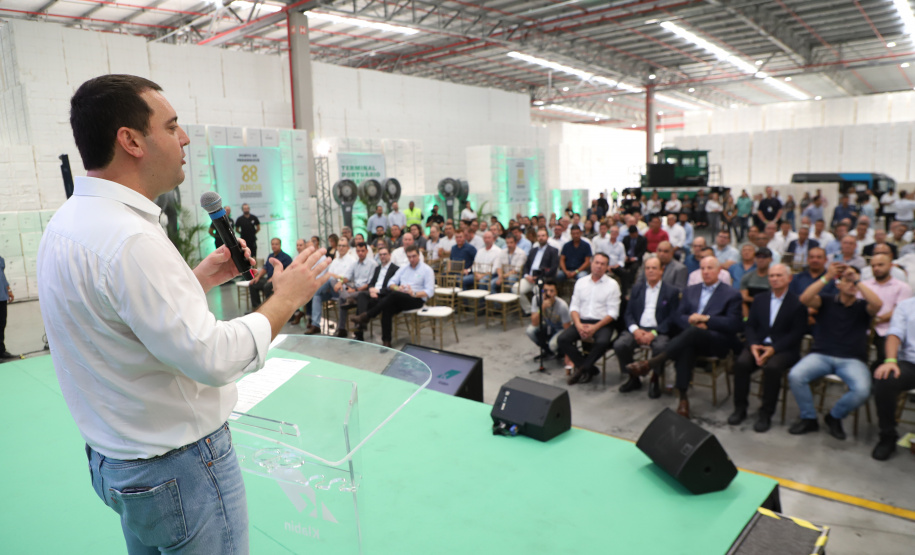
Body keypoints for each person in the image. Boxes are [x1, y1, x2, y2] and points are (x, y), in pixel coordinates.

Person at [38, 74, 333, 554]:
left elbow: (118, 320)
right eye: (172, 126)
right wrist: (286, 297)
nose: (186, 139)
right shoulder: (130, 239)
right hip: (179, 469)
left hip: (119, 463)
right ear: (130, 140)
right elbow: (212, 358)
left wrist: (197, 280)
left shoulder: (69, 223)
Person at [627, 256, 743, 418]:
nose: (706, 272)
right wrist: (690, 321)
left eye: (710, 268)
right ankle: (683, 398)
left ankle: (652, 363)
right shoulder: (691, 291)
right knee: (686, 346)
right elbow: (677, 316)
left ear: (719, 271)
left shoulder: (731, 294)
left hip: (716, 341)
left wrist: (707, 321)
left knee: (691, 335)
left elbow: (734, 324)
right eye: (702, 268)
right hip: (691, 338)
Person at [788, 263, 882, 439]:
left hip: (852, 359)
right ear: (838, 284)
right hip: (821, 354)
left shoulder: (863, 306)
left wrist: (858, 280)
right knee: (796, 375)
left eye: (854, 281)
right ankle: (809, 418)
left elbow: (878, 304)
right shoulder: (826, 300)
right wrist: (827, 277)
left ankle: (834, 416)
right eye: (847, 280)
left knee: (863, 389)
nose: (851, 284)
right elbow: (804, 299)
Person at [729, 264, 808, 432]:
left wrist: (775, 349)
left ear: (789, 278)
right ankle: (740, 408)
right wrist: (753, 345)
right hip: (759, 343)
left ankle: (766, 413)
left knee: (773, 368)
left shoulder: (797, 303)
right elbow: (750, 326)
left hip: (784, 348)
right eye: (772, 276)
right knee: (741, 363)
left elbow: (797, 333)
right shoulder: (760, 299)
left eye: (779, 275)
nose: (774, 279)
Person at [617, 257, 680, 397]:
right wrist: (635, 330)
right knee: (620, 344)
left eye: (654, 268)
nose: (650, 271)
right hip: (638, 328)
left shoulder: (671, 291)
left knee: (660, 347)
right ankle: (633, 377)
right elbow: (628, 314)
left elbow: (672, 318)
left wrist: (654, 332)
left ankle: (654, 379)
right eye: (647, 268)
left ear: (661, 271)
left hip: (658, 330)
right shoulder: (637, 288)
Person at [558, 254, 621, 385]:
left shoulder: (613, 285)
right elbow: (574, 306)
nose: (599, 266)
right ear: (591, 263)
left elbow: (613, 313)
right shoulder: (581, 282)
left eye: (603, 264)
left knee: (603, 342)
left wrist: (595, 327)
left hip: (602, 323)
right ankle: (588, 368)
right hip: (582, 320)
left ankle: (582, 369)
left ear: (606, 267)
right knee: (563, 339)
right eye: (597, 262)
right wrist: (578, 325)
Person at [353, 245, 434, 347]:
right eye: (409, 257)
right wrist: (397, 288)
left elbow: (430, 291)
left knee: (393, 296)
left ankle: (367, 315)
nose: (412, 259)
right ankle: (386, 341)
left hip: (416, 298)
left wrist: (413, 293)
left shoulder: (427, 270)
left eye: (414, 256)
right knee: (387, 306)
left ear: (419, 255)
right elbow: (391, 283)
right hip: (400, 296)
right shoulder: (404, 268)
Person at [872, 296, 915, 459]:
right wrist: (890, 361)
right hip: (911, 363)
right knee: (885, 378)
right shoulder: (906, 306)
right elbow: (894, 334)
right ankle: (887, 436)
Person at [860, 253, 912, 369]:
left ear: (890, 266)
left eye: (880, 265)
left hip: (889, 330)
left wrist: (876, 320)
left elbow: (900, 311)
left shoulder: (902, 287)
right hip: (864, 328)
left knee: (883, 356)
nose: (876, 268)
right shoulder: (864, 286)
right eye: (873, 266)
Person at [306, 238, 355, 334]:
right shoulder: (335, 260)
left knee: (330, 279)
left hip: (345, 288)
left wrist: (335, 277)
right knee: (317, 295)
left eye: (343, 246)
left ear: (348, 248)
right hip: (332, 288)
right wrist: (335, 277)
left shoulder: (351, 261)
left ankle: (340, 327)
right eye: (339, 245)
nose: (341, 248)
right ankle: (315, 325)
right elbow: (329, 274)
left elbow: (345, 278)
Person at [331, 242, 377, 338]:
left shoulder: (373, 264)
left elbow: (370, 283)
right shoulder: (355, 264)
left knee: (342, 299)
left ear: (367, 251)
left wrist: (355, 289)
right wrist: (341, 282)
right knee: (334, 281)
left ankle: (342, 329)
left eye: (363, 251)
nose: (360, 253)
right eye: (358, 251)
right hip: (353, 290)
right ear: (356, 252)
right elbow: (347, 276)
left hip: (365, 291)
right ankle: (348, 298)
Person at [353, 246, 398, 341]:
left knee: (362, 303)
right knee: (362, 295)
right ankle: (361, 327)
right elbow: (371, 283)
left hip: (385, 296)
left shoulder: (395, 269)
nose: (382, 256)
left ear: (390, 255)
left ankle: (360, 330)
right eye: (380, 255)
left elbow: (393, 288)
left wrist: (379, 292)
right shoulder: (377, 268)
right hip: (373, 294)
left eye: (384, 254)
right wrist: (371, 290)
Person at [514, 228, 560, 314]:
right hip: (529, 278)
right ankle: (529, 310)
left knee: (539, 294)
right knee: (515, 288)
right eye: (539, 236)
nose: (541, 238)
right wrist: (527, 276)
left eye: (543, 236)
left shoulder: (553, 251)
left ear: (547, 237)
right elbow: (526, 265)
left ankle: (540, 312)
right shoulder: (533, 250)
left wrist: (539, 276)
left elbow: (553, 268)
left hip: (542, 279)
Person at [526, 279, 571, 360]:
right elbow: (534, 323)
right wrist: (542, 307)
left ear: (556, 292)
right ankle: (547, 350)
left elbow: (567, 329)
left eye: (552, 291)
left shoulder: (562, 305)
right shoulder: (536, 299)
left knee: (553, 345)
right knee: (530, 331)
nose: (548, 294)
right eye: (545, 291)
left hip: (560, 329)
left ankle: (558, 350)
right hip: (548, 325)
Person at [249, 238, 293, 309]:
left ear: (280, 245)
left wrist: (273, 279)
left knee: (267, 286)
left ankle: (269, 308)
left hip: (279, 281)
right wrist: (258, 277)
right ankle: (257, 308)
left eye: (276, 244)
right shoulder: (270, 256)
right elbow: (265, 268)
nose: (274, 246)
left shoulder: (286, 257)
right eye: (272, 244)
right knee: (253, 284)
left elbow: (287, 272)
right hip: (268, 279)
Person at [740, 248, 773, 314]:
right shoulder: (747, 277)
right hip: (750, 311)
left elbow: (773, 299)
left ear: (771, 260)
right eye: (758, 257)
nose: (761, 259)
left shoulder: (773, 277)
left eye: (764, 257)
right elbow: (743, 298)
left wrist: (751, 299)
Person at [0, 254, 14, 360]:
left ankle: (1, 350)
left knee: (1, 324)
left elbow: (2, 276)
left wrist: (8, 290)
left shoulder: (0, 259)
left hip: (2, 296)